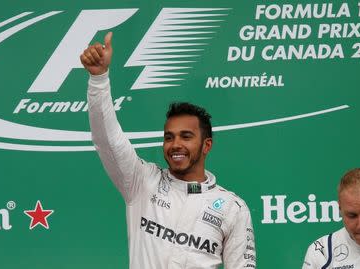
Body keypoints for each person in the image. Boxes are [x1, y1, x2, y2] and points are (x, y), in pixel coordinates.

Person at [80, 32, 256, 269]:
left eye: (186, 137)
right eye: (169, 137)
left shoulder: (231, 207)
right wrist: (99, 79)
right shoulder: (142, 181)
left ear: (207, 145)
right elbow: (107, 138)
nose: (175, 145)